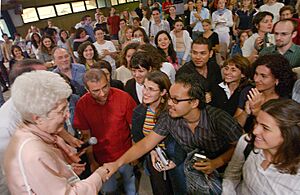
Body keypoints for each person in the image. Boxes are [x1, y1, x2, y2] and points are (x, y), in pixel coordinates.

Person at [103, 73, 243, 194]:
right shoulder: (168, 117)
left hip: (227, 169)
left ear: (194, 102)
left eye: (175, 100)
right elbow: (146, 144)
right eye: (169, 98)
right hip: (195, 167)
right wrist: (117, 164)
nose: (169, 103)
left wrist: (216, 163)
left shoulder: (218, 118)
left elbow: (241, 145)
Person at [4, 70, 107, 194]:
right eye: (61, 111)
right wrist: (99, 176)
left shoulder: (26, 131)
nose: (68, 115)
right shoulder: (34, 154)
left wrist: (65, 170)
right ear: (38, 117)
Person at [73, 69, 137, 194]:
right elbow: (87, 136)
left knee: (130, 184)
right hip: (101, 159)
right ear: (87, 89)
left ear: (108, 82)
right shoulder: (82, 105)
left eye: (105, 87)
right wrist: (92, 161)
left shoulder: (123, 98)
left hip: (126, 154)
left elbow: (133, 128)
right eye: (96, 91)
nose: (102, 94)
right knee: (109, 190)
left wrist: (134, 153)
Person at [223, 99, 300, 195]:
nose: (255, 131)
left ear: (288, 134)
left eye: (265, 128)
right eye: (256, 123)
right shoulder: (247, 142)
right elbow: (232, 175)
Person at [132, 71, 186, 195]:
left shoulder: (173, 111)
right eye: (145, 87)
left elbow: (183, 140)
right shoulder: (139, 111)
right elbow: (138, 136)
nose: (145, 92)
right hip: (155, 159)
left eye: (151, 89)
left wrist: (176, 161)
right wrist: (151, 151)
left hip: (177, 158)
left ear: (163, 92)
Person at [234, 54, 297, 132]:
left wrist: (256, 112)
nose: (256, 79)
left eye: (263, 76)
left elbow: (274, 132)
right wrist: (246, 112)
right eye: (256, 74)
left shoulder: (283, 102)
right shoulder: (248, 92)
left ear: (277, 80)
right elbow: (233, 129)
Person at [177, 37, 222, 102]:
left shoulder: (214, 67)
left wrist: (212, 94)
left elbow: (220, 89)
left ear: (210, 54)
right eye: (194, 53)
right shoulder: (183, 72)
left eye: (202, 53)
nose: (198, 57)